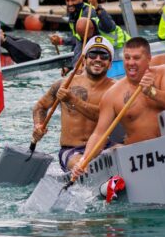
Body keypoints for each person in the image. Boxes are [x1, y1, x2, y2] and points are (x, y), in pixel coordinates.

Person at [72, 37, 165, 177]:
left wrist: (152, 92)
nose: (131, 63)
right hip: (141, 159)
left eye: (136, 58)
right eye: (127, 58)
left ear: (148, 58)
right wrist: (84, 160)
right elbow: (99, 133)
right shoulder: (112, 94)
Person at [32, 37, 116, 172]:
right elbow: (40, 106)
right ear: (84, 60)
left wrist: (73, 100)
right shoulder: (64, 84)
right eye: (93, 54)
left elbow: (103, 116)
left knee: (128, 152)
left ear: (110, 63)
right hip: (72, 151)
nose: (98, 59)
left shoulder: (116, 89)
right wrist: (38, 126)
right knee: (87, 168)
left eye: (104, 56)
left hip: (104, 146)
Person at [50, 0, 130, 60]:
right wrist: (70, 66)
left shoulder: (89, 13)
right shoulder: (72, 14)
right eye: (67, 1)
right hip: (102, 50)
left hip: (122, 49)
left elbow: (109, 26)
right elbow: (78, 42)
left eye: (73, 0)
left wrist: (61, 41)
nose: (70, 4)